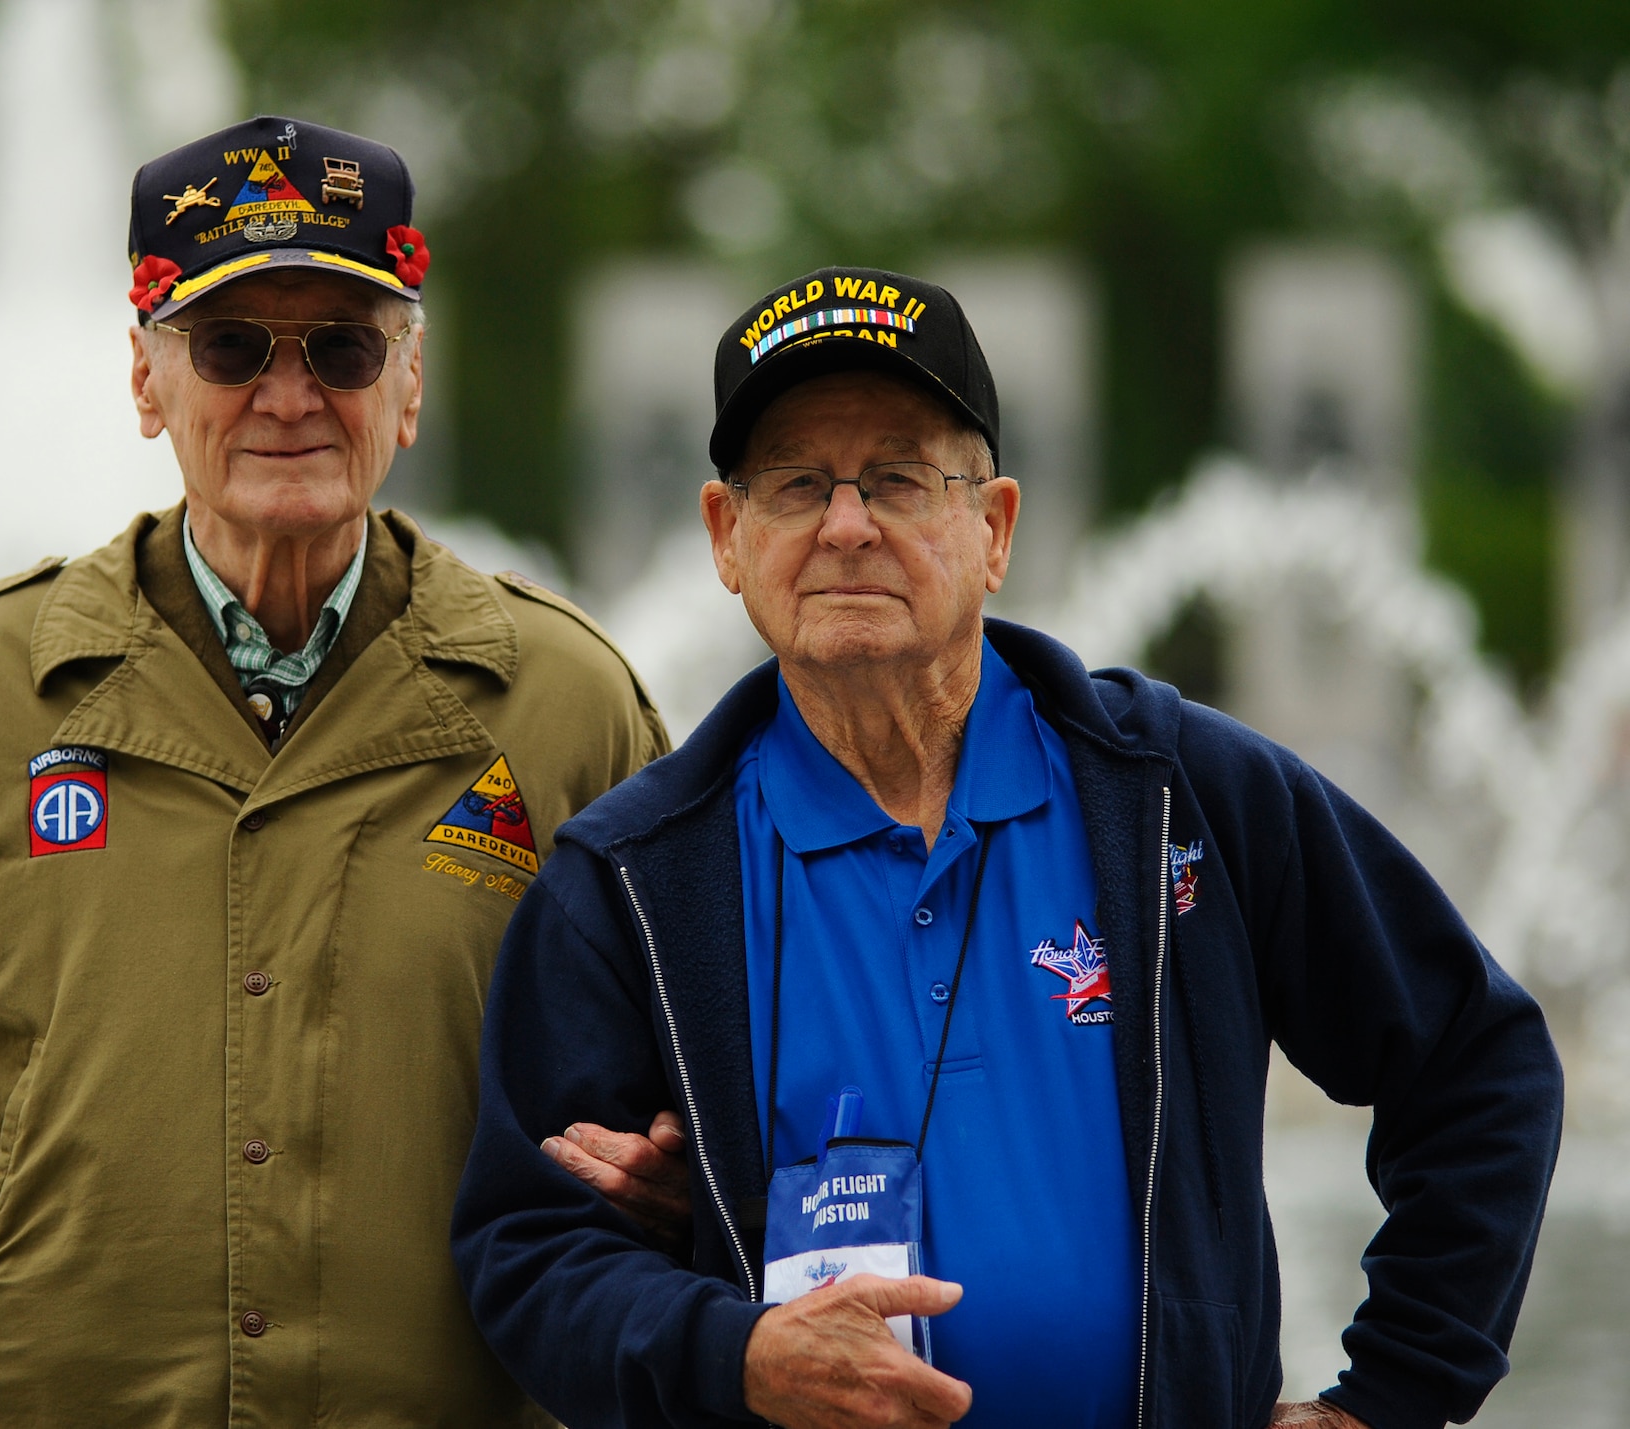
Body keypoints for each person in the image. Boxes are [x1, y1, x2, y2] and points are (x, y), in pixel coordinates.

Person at [452, 266, 1563, 1429]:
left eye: (896, 477)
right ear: (727, 538)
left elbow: (1477, 1063)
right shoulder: (632, 877)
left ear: (992, 528)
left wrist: (1380, 1400)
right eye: (794, 483)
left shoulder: (1178, 792)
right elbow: (528, 1249)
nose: (845, 524)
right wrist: (730, 1354)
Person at [0, 116, 670, 1427]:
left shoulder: (568, 706)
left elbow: (684, 1120)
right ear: (146, 379)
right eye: (232, 345)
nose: (289, 396)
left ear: (409, 384)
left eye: (344, 349)